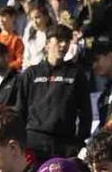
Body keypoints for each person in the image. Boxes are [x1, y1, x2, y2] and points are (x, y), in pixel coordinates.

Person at [21, 25, 94, 159]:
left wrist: (79, 142)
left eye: (67, 40)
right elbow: (19, 110)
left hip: (65, 144)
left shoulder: (76, 74)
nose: (63, 44)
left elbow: (85, 113)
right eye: (59, 40)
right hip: (33, 142)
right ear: (47, 44)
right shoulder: (31, 74)